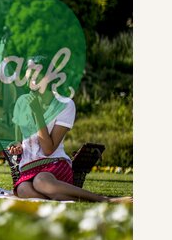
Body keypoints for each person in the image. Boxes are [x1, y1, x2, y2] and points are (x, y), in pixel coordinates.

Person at [10, 56, 132, 203]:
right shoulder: (21, 102)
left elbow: (48, 149)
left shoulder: (65, 104)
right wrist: (16, 146)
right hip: (28, 167)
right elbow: (18, 139)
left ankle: (104, 199)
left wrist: (37, 113)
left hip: (53, 164)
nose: (32, 80)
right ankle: (59, 196)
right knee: (23, 190)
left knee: (41, 181)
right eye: (30, 76)